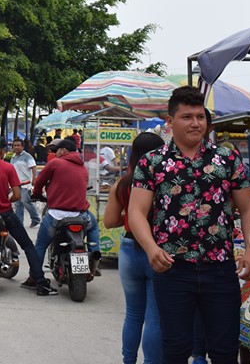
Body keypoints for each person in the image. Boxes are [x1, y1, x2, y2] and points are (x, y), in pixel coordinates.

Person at [128, 86, 250, 364]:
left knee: (225, 351)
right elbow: (136, 212)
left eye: (200, 117)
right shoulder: (152, 162)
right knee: (175, 349)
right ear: (170, 120)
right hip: (173, 269)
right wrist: (151, 248)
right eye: (187, 117)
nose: (195, 123)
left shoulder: (227, 159)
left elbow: (248, 208)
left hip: (220, 268)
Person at [0, 135, 55, 295]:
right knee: (28, 246)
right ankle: (40, 282)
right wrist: (6, 200)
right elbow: (18, 195)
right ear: (2, 151)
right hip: (3, 213)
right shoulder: (8, 168)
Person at [104, 132, 165, 364]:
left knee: (133, 314)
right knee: (154, 318)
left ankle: (128, 360)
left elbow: (110, 221)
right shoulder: (166, 181)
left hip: (129, 249)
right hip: (158, 250)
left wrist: (131, 217)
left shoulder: (122, 184)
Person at [31, 137, 101, 282]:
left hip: (57, 215)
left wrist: (36, 194)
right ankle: (94, 260)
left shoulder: (55, 163)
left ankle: (34, 277)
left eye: (57, 151)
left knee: (41, 245)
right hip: (81, 215)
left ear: (63, 150)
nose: (55, 154)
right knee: (94, 227)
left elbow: (39, 182)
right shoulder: (83, 167)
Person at [9, 138, 41, 227]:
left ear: (22, 147)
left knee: (25, 201)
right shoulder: (13, 157)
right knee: (18, 203)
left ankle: (36, 219)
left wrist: (34, 179)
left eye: (18, 145)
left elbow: (33, 167)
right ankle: (19, 222)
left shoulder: (27, 156)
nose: (16, 147)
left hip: (26, 184)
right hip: (16, 184)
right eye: (15, 145)